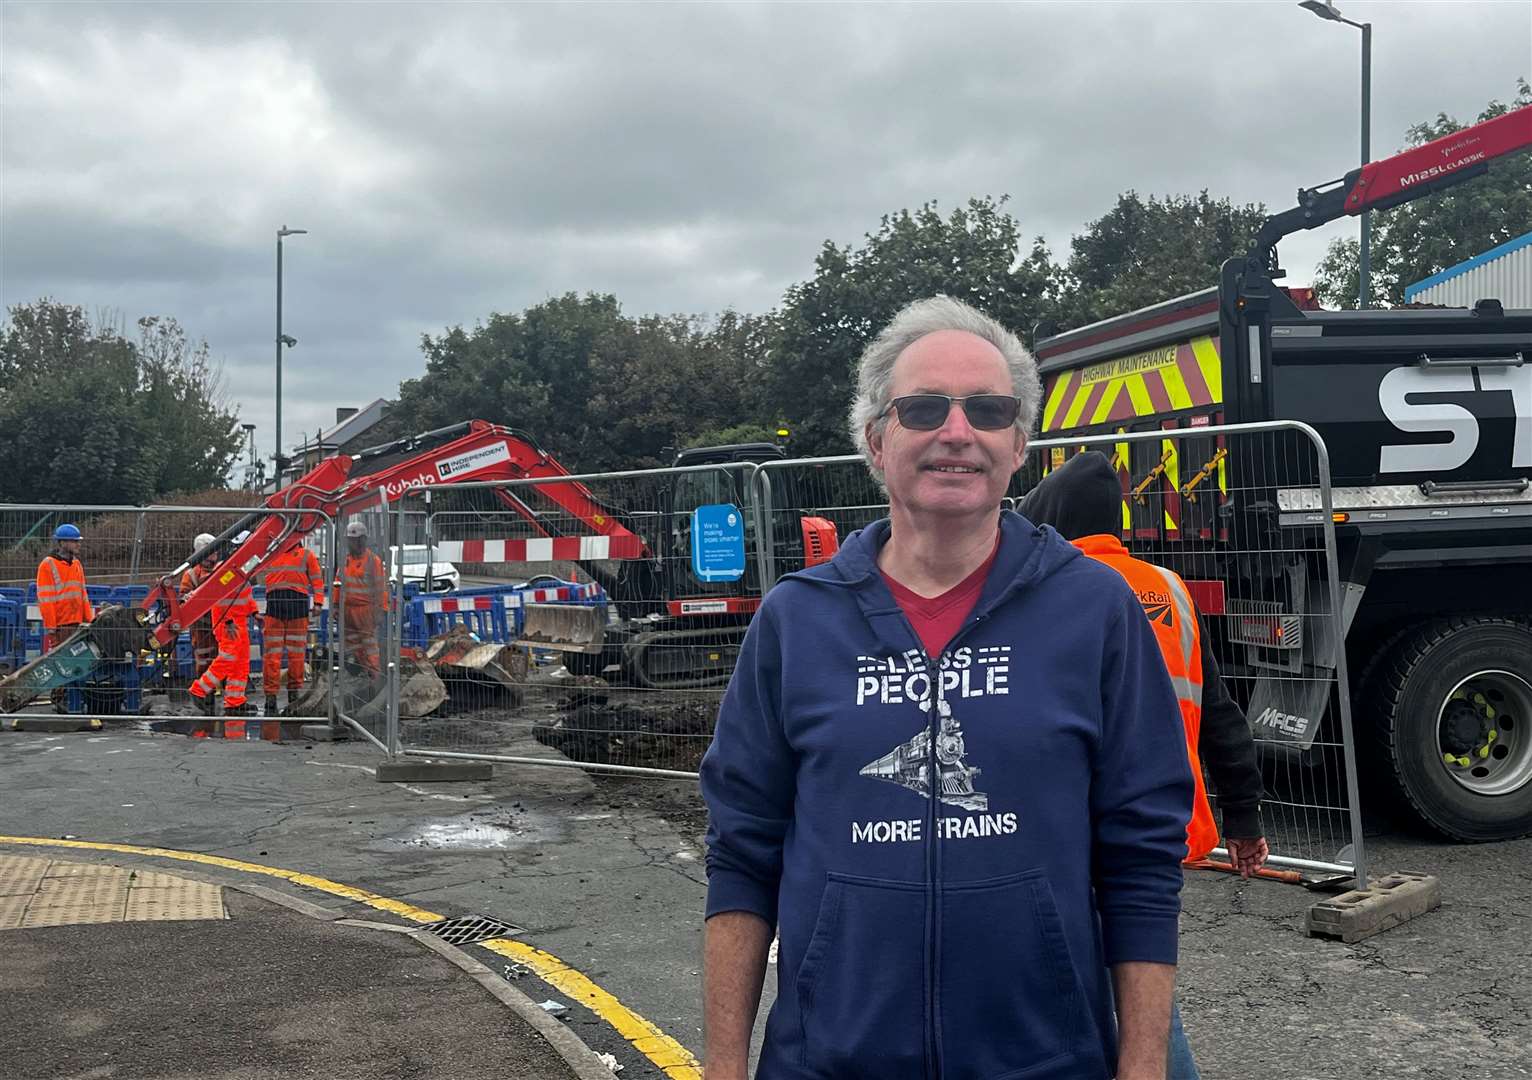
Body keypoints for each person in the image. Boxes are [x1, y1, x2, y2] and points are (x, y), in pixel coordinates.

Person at [700, 296, 1194, 1080]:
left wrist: (1141, 1070)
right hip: (828, 1064)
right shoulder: (796, 622)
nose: (957, 432)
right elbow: (741, 858)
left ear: (1020, 443)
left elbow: (1141, 863)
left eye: (988, 410)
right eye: (924, 408)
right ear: (876, 437)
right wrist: (722, 1071)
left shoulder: (1096, 611)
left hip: (1047, 1063)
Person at [1020, 450, 1269, 1080]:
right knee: (1136, 972)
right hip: (1165, 822)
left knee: (1119, 995)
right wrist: (1244, 818)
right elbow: (1219, 713)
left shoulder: (1052, 592)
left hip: (1080, 829)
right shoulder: (1171, 588)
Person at [189, 532, 256, 725]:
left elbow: (246, 594)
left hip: (239, 621)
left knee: (240, 662)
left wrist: (254, 612)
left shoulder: (242, 568)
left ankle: (235, 701)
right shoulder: (227, 571)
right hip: (229, 623)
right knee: (228, 658)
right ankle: (199, 690)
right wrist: (227, 622)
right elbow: (220, 597)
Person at [262, 541, 325, 716]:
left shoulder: (306, 555)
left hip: (294, 606)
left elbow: (317, 579)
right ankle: (271, 696)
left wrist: (318, 601)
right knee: (273, 656)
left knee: (295, 655)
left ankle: (293, 692)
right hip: (278, 606)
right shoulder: (270, 553)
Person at [339, 521, 387, 676]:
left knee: (369, 644)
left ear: (362, 540)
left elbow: (380, 588)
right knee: (352, 645)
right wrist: (335, 605)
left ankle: (374, 675)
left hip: (365, 610)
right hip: (348, 610)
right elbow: (337, 584)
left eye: (355, 540)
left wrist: (381, 610)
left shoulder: (373, 561)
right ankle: (360, 675)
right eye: (350, 540)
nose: (352, 543)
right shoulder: (345, 560)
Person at [36, 523, 93, 652]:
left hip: (78, 625)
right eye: (74, 541)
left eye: (78, 541)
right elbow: (46, 600)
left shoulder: (76, 564)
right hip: (61, 626)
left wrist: (90, 621)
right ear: (62, 543)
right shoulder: (47, 565)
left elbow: (83, 595)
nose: (78, 544)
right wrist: (52, 629)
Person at [179, 532, 220, 679]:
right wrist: (188, 597)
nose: (214, 553)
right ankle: (204, 693)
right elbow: (183, 597)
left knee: (224, 657)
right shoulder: (190, 575)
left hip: (222, 622)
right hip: (201, 625)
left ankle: (227, 690)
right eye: (211, 550)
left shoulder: (223, 568)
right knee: (203, 658)